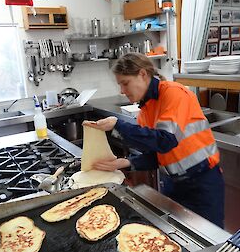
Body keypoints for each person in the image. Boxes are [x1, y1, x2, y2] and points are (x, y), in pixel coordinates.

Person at [83, 53, 225, 228]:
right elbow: (156, 156)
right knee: (178, 236)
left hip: (203, 184)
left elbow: (166, 141)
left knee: (209, 239)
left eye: (125, 83)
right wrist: (123, 163)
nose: (122, 90)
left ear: (142, 74)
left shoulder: (173, 94)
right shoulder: (145, 111)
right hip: (174, 184)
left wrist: (118, 125)